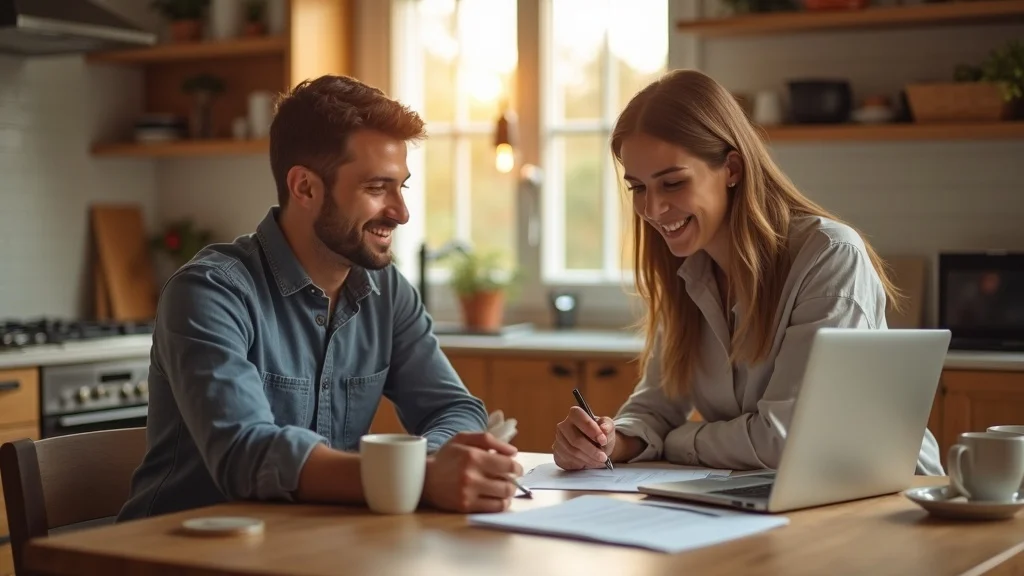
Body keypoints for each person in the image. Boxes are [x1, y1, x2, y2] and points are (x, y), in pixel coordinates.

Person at [118, 75, 522, 522]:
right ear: (305, 188)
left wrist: (435, 468)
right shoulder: (211, 292)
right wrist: (417, 480)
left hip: (312, 545)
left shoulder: (386, 292)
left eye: (400, 187)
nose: (401, 212)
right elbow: (245, 454)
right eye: (375, 188)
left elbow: (455, 408)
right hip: (176, 555)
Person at [552, 69, 943, 476]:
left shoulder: (828, 257)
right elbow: (658, 404)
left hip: (891, 502)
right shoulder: (688, 269)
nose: (652, 209)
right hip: (782, 498)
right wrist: (610, 440)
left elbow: (786, 439)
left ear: (733, 169)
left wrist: (679, 439)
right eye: (638, 188)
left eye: (671, 183)